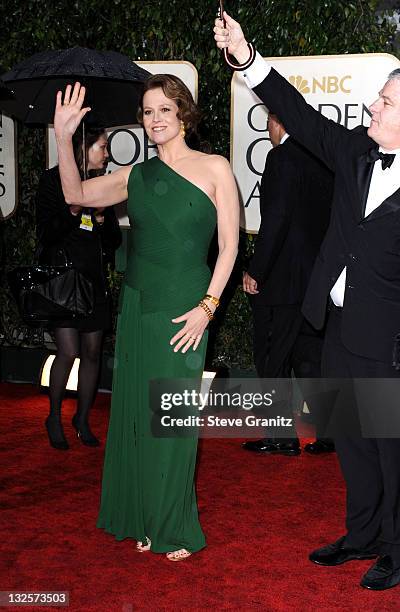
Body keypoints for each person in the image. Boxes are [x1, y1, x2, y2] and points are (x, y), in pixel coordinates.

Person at [215, 12, 400, 591]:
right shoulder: (354, 154)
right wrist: (247, 58)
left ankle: (396, 549)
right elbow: (297, 112)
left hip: (388, 342)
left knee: (391, 451)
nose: (373, 106)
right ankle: (362, 534)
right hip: (336, 327)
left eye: (387, 102)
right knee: (350, 443)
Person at [53, 76, 239, 561]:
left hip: (186, 310)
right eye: (147, 111)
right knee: (138, 415)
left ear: (183, 113)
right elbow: (75, 194)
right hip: (136, 306)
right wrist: (62, 136)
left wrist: (208, 308)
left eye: (163, 110)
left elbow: (230, 247)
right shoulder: (136, 176)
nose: (154, 119)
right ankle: (142, 515)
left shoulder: (215, 167)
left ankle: (173, 526)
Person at [242, 113, 334, 456]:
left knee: (272, 358)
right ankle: (329, 434)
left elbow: (276, 219)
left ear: (277, 122)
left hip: (281, 282)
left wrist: (257, 270)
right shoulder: (322, 162)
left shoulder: (281, 157)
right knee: (310, 359)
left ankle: (280, 436)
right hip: (314, 282)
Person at [36, 127, 122, 451]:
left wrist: (101, 221)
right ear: (84, 146)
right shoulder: (51, 181)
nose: (107, 154)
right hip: (63, 283)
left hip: (94, 283)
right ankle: (54, 416)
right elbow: (46, 233)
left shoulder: (102, 185)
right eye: (102, 146)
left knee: (91, 353)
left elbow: (113, 241)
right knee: (68, 352)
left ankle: (82, 418)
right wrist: (74, 209)